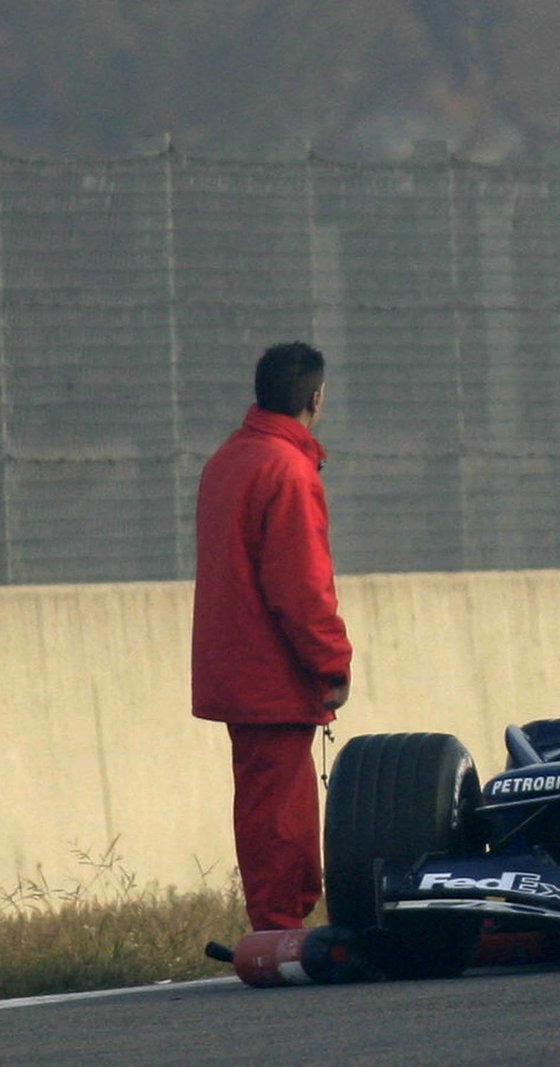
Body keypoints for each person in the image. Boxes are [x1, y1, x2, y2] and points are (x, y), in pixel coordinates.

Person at [192, 341, 353, 932]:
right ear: (316, 398)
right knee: (281, 809)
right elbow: (302, 585)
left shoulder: (229, 459)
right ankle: (280, 930)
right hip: (273, 670)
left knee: (265, 801)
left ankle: (278, 924)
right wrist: (332, 664)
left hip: (236, 663)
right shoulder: (287, 469)